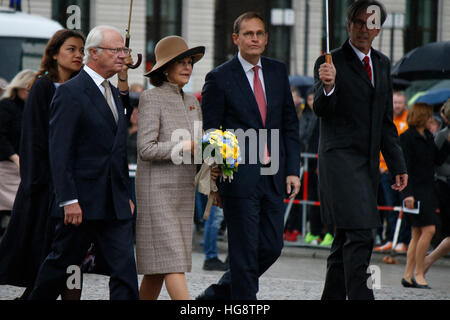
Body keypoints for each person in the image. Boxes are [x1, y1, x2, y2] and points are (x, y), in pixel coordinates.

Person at [28, 25, 138, 300]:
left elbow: (118, 151)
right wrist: (68, 199)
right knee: (59, 267)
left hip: (115, 203)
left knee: (124, 270)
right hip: (81, 202)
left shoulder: (113, 93)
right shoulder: (70, 92)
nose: (122, 56)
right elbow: (59, 150)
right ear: (93, 53)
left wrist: (125, 194)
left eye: (122, 50)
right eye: (115, 50)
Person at [197, 12, 301, 300]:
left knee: (271, 246)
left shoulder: (278, 71)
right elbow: (210, 132)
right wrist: (214, 180)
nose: (254, 38)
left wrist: (293, 170)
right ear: (236, 39)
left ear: (266, 39)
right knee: (243, 252)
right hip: (238, 177)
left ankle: (215, 296)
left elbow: (289, 124)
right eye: (248, 34)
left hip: (274, 174)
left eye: (259, 34)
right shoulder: (219, 77)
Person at [314, 0, 408, 300]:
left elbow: (385, 121)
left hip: (367, 164)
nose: (363, 30)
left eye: (371, 24)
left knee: (345, 239)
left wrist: (398, 165)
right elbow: (321, 108)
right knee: (361, 234)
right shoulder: (331, 61)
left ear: (379, 28)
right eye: (358, 22)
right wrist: (327, 86)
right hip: (339, 162)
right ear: (348, 24)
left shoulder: (381, 63)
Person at [0, 30, 86, 300]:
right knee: (45, 247)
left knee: (68, 251)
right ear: (55, 52)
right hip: (45, 184)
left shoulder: (82, 86)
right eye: (71, 49)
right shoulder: (43, 86)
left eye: (81, 50)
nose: (78, 55)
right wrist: (37, 181)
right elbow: (34, 136)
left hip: (74, 181)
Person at [135, 35, 205, 300]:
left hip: (183, 193)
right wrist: (185, 146)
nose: (187, 67)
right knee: (173, 262)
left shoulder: (193, 101)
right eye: (180, 63)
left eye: (190, 62)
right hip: (157, 194)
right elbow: (146, 149)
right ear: (165, 68)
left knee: (157, 269)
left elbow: (198, 148)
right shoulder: (151, 98)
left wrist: (217, 156)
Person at [400, 103, 450, 289]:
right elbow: (404, 168)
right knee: (428, 230)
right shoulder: (407, 138)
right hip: (414, 191)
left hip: (428, 189)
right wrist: (407, 194)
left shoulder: (427, 136)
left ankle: (408, 275)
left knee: (417, 233)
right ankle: (419, 273)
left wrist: (447, 143)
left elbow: (435, 159)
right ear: (421, 116)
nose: (432, 119)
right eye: (428, 116)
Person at [0, 69, 35, 236]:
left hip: (21, 166)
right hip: (6, 167)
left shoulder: (30, 109)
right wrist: (15, 158)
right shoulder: (6, 106)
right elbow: (1, 136)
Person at [375, 91, 410, 253]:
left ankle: (402, 240)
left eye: (400, 102)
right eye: (395, 102)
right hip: (385, 171)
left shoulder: (408, 121)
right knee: (389, 207)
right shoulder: (387, 119)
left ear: (405, 104)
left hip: (401, 171)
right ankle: (390, 238)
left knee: (403, 206)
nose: (397, 105)